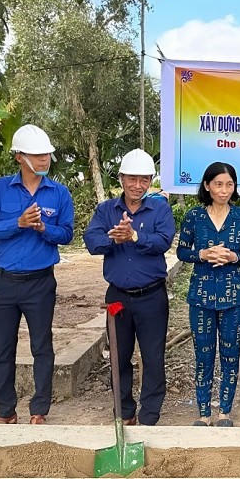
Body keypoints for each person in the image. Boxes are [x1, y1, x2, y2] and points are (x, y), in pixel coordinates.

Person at [0, 124, 74, 425]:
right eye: (37, 154)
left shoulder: (59, 193)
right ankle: (5, 410)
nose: (44, 159)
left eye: (47, 154)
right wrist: (17, 223)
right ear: (20, 157)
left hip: (40, 283)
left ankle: (39, 409)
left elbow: (67, 234)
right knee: (3, 350)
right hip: (3, 284)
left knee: (42, 347)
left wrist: (44, 228)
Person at [84, 149, 175, 426]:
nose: (138, 185)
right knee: (119, 356)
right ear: (121, 178)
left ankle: (149, 415)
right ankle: (124, 411)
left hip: (152, 296)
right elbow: (92, 242)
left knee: (153, 356)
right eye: (132, 179)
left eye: (144, 179)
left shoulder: (160, 209)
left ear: (150, 181)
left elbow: (163, 241)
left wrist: (135, 236)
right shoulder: (106, 210)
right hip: (117, 297)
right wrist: (114, 238)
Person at [176, 162, 240, 427]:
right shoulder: (194, 216)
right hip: (201, 297)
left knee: (230, 354)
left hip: (234, 297)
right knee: (203, 355)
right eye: (218, 184)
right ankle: (203, 413)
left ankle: (224, 412)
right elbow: (182, 251)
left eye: (229, 184)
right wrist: (202, 254)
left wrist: (234, 256)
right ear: (207, 186)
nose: (224, 190)